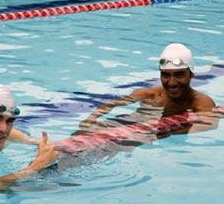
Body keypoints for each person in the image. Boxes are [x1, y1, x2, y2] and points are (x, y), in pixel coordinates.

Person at [79, 43, 219, 135]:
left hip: (145, 134)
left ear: (191, 75)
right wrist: (92, 118)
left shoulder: (200, 102)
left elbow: (210, 124)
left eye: (179, 75)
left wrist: (172, 132)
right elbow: (116, 102)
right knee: (82, 135)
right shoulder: (151, 94)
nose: (172, 83)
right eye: (165, 75)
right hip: (128, 122)